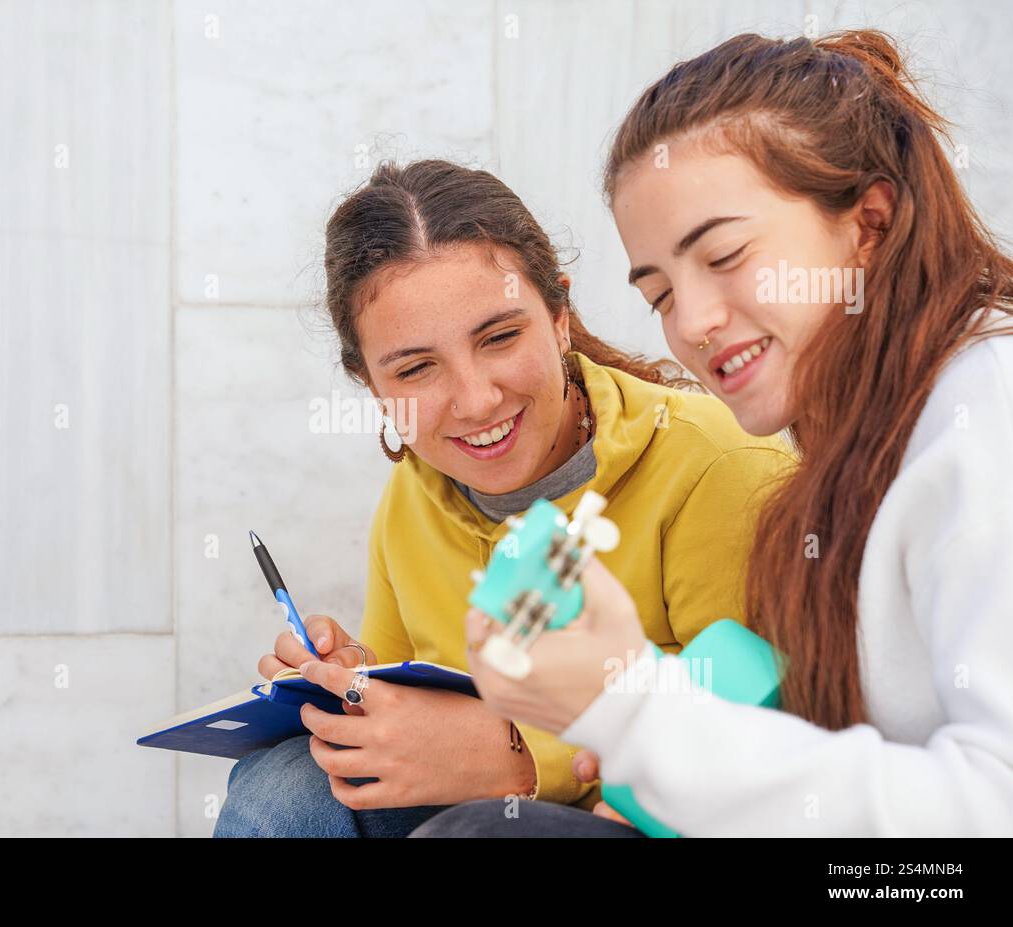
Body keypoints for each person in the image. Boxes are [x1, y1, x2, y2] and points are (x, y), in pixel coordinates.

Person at [403, 30, 1013, 837]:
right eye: (658, 292)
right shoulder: (852, 448)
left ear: (868, 223)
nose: (691, 323)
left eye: (724, 255)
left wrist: (633, 711)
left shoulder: (986, 411)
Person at [215, 159, 794, 837]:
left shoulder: (714, 463)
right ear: (371, 384)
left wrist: (516, 755)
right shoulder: (411, 498)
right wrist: (360, 687)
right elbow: (420, 700)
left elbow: (765, 741)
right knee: (284, 786)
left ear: (559, 318)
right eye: (415, 367)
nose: (476, 399)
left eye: (499, 337)